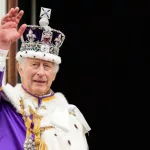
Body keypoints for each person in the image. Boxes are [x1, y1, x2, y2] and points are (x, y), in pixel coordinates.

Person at [0, 7, 91, 150]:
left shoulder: (70, 117)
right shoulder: (5, 105)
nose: (41, 72)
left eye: (47, 66)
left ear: (54, 74)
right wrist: (1, 47)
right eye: (35, 64)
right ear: (20, 68)